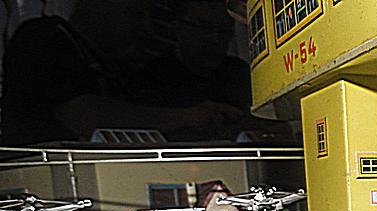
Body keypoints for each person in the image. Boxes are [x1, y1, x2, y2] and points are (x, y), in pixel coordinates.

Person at [1, 0, 241, 145]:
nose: (146, 28)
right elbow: (84, 117)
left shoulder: (115, 67)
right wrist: (187, 116)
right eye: (135, 14)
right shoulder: (45, 38)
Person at [137, 0, 252, 140]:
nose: (215, 38)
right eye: (204, 28)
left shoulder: (239, 72)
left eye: (224, 30)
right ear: (178, 29)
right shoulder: (153, 78)